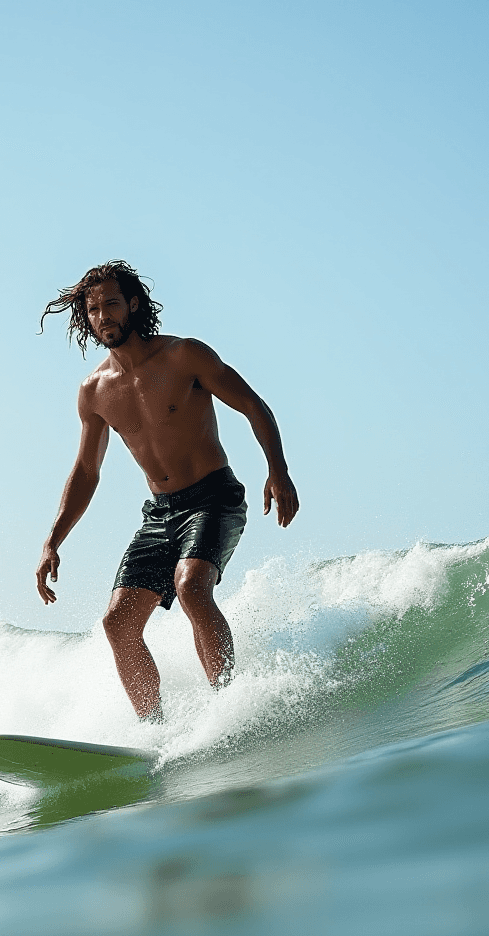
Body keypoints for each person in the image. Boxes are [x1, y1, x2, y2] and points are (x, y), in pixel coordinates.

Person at [36, 261, 298, 721]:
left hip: (214, 498)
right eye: (93, 309)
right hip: (159, 513)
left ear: (133, 304)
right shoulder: (94, 392)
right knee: (117, 624)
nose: (103, 316)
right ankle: (155, 732)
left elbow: (253, 406)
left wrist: (277, 470)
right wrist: (53, 540)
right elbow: (86, 469)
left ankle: (229, 711)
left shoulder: (184, 356)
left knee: (192, 588)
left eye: (112, 304)